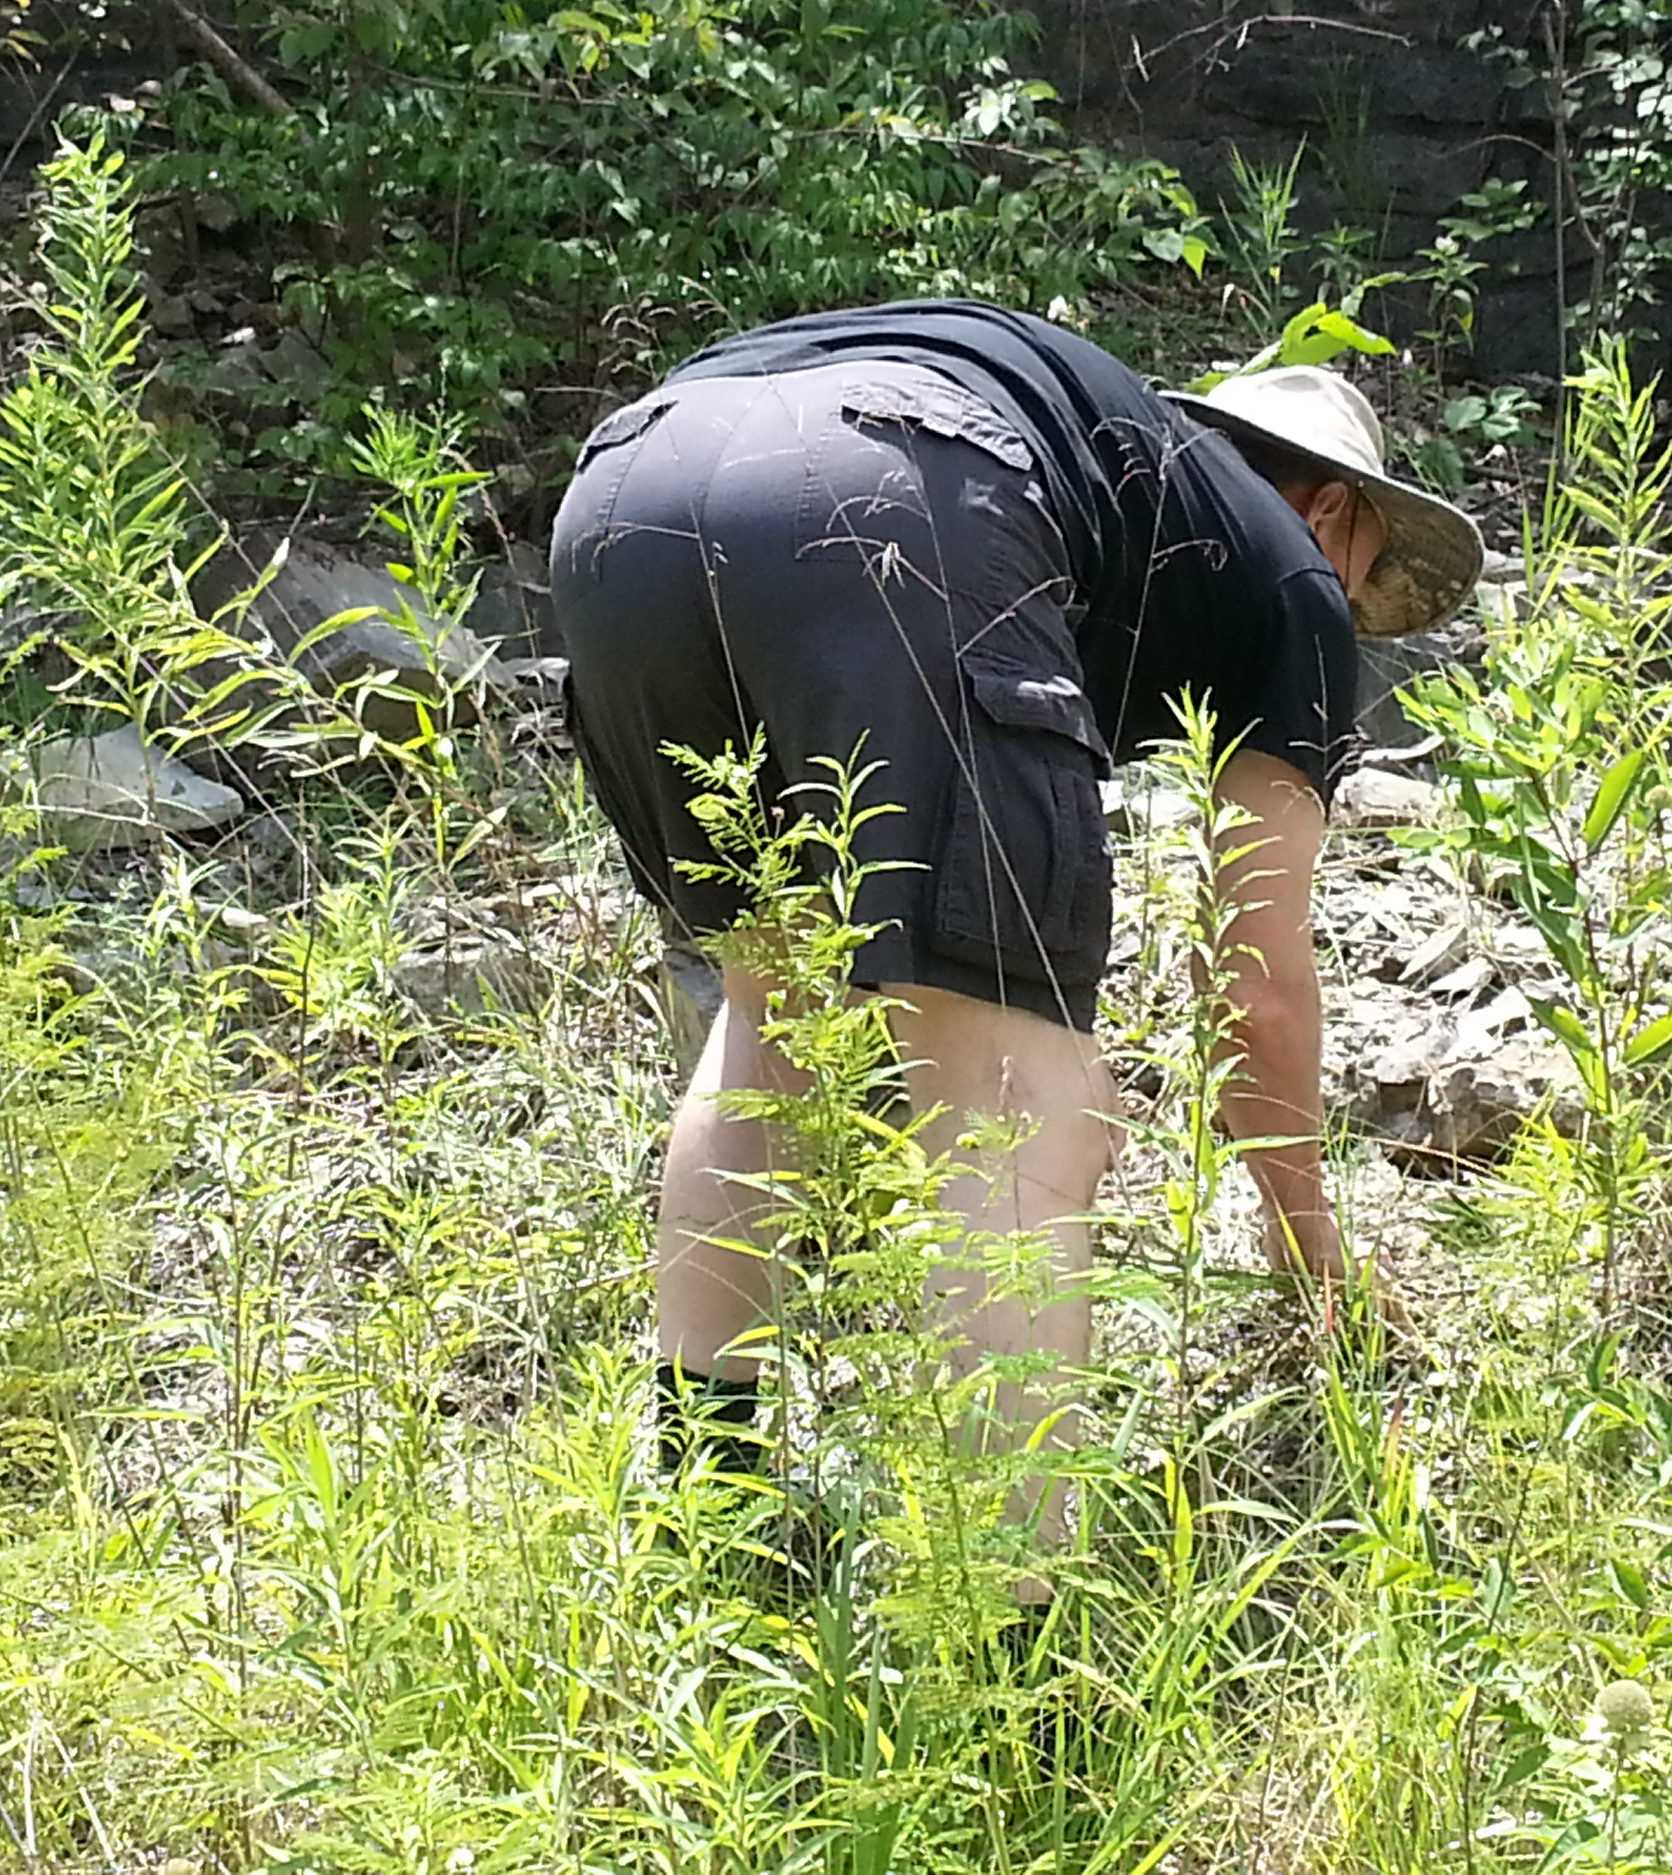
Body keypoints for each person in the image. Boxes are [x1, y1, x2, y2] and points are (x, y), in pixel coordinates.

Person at [547, 300, 1481, 1501]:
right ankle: (1013, 1641)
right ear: (1336, 510)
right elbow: (1254, 973)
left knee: (769, 1010)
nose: (1350, 601)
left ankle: (707, 1515)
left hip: (629, 491)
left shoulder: (1121, 471)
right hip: (900, 480)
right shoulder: (1293, 570)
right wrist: (1313, 1257)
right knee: (1017, 1088)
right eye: (1367, 574)